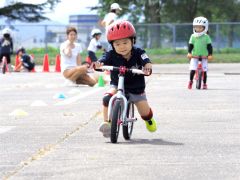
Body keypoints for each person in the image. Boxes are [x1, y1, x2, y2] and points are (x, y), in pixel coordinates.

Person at [94, 20, 157, 138]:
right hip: (117, 85)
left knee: (144, 112)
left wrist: (147, 64)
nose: (122, 47)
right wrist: (99, 64)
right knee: (107, 98)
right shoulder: (111, 54)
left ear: (133, 41)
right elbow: (103, 59)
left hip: (136, 88)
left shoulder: (138, 52)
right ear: (112, 45)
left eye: (125, 42)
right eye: (117, 44)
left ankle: (149, 119)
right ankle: (107, 123)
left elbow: (145, 58)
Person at [187, 16, 213, 90]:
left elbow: (209, 46)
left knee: (204, 71)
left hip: (204, 56)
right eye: (196, 27)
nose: (198, 29)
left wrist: (210, 54)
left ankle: (204, 83)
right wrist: (189, 52)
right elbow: (190, 45)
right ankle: (191, 81)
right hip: (194, 56)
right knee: (192, 69)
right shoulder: (193, 36)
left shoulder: (206, 37)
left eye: (200, 27)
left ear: (205, 28)